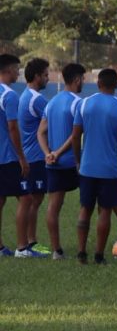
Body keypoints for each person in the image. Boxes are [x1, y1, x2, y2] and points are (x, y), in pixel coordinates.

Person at [72, 68, 117, 265]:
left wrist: (78, 160)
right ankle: (99, 255)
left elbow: (75, 136)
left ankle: (81, 253)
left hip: (88, 167)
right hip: (109, 169)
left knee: (85, 209)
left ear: (98, 83)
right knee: (105, 210)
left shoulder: (84, 104)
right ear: (116, 85)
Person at [37, 63, 86, 260]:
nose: (83, 82)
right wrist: (57, 153)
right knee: (88, 203)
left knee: (53, 206)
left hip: (53, 163)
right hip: (74, 163)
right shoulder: (78, 103)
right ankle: (84, 249)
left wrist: (48, 153)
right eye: (82, 78)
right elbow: (76, 135)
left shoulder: (51, 102)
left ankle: (56, 250)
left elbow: (40, 132)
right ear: (76, 80)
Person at [0, 54, 36, 258]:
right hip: (7, 157)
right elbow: (12, 127)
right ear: (7, 70)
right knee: (26, 198)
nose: (18, 73)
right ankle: (22, 247)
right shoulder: (9, 95)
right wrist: (22, 158)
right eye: (16, 69)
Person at [18, 58, 51, 256]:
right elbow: (52, 117)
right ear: (37, 76)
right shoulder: (36, 99)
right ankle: (30, 242)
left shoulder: (26, 96)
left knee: (33, 200)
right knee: (33, 200)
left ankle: (30, 241)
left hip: (31, 155)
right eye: (46, 74)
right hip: (36, 157)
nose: (48, 78)